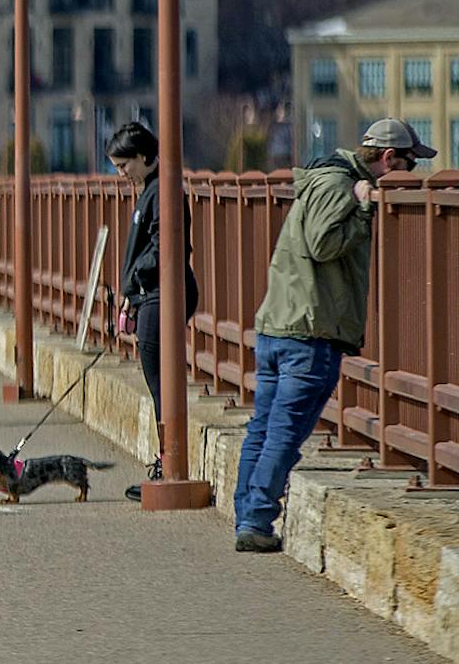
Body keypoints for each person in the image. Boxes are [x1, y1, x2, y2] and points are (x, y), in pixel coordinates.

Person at [233, 118, 429, 553]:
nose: (410, 176)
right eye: (409, 165)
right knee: (280, 434)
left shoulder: (321, 179)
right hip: (310, 332)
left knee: (263, 431)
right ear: (387, 158)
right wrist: (364, 209)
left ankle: (246, 517)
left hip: (280, 326)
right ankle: (255, 520)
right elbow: (323, 245)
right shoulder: (342, 186)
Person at [107, 121, 200, 502]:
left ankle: (169, 463)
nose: (120, 174)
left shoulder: (163, 191)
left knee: (160, 380)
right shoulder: (151, 190)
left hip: (163, 294)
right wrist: (130, 290)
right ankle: (166, 460)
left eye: (123, 165)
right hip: (151, 294)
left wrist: (131, 284)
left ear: (145, 157)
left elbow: (164, 245)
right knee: (156, 378)